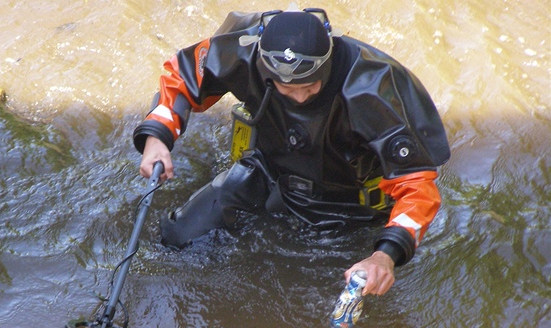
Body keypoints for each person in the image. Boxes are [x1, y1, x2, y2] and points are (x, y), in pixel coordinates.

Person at [133, 8, 450, 296]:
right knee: (177, 236)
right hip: (270, 169)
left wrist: (384, 256)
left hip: (347, 203)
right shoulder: (242, 52)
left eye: (310, 87)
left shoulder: (373, 89)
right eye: (287, 88)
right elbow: (183, 76)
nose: (299, 97)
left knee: (313, 297)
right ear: (264, 66)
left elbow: (418, 188)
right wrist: (157, 139)